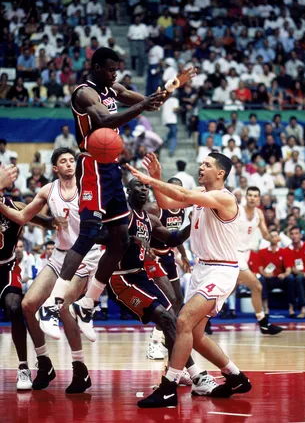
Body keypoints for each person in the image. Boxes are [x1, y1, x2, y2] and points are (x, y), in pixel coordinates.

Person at [38, 47, 196, 340]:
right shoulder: (84, 93)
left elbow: (151, 103)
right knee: (87, 234)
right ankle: (51, 304)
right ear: (96, 67)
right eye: (110, 69)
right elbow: (106, 121)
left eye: (116, 70)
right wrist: (144, 105)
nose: (114, 74)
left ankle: (87, 304)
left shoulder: (114, 88)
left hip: (111, 167)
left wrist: (172, 86)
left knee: (121, 237)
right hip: (92, 163)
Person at [127, 152, 251, 408]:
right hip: (201, 269)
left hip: (221, 270)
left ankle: (169, 387)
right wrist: (158, 179)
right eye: (201, 163)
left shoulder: (223, 197)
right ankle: (235, 376)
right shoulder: (200, 195)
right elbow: (166, 203)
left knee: (182, 321)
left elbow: (182, 196)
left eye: (208, 165)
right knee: (194, 333)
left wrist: (150, 181)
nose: (201, 166)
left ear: (221, 174)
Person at [0, 148, 102, 393]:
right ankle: (44, 362)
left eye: (71, 160)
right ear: (55, 168)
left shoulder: (88, 189)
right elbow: (23, 216)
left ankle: (80, 369)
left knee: (63, 305)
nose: (69, 164)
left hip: (85, 256)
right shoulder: (48, 190)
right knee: (27, 305)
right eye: (63, 161)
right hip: (59, 256)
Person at [107, 178, 217, 393]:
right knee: (167, 319)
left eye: (146, 187)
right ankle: (196, 376)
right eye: (138, 186)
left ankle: (176, 371)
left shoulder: (150, 219)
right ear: (128, 191)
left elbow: (173, 238)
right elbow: (102, 236)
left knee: (174, 320)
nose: (144, 190)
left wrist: (193, 223)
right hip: (121, 278)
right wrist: (130, 239)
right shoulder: (122, 215)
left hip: (140, 276)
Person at [0, 193, 53, 390]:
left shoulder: (15, 205)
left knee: (14, 308)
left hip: (6, 268)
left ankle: (23, 366)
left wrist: (63, 218)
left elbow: (46, 222)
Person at [144, 177, 189, 359]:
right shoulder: (156, 207)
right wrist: (146, 248)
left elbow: (175, 236)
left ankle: (162, 336)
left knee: (178, 299)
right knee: (167, 300)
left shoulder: (182, 210)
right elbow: (140, 226)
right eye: (172, 189)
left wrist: (184, 255)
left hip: (168, 256)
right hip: (153, 258)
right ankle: (154, 343)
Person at [237, 187, 283, 335]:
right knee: (256, 287)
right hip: (232, 253)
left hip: (245, 254)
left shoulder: (259, 214)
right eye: (249, 195)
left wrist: (272, 239)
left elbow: (265, 234)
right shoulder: (237, 210)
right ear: (246, 196)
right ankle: (263, 322)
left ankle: (205, 320)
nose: (252, 198)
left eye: (255, 196)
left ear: (259, 199)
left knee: (228, 290)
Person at [258, 229, 295, 317]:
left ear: (279, 238)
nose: (274, 238)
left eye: (276, 236)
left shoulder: (284, 251)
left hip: (280, 278)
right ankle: (266, 309)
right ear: (268, 239)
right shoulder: (262, 252)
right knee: (261, 279)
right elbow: (260, 269)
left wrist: (284, 274)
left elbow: (289, 269)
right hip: (269, 279)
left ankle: (291, 309)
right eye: (272, 236)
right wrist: (265, 274)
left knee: (290, 278)